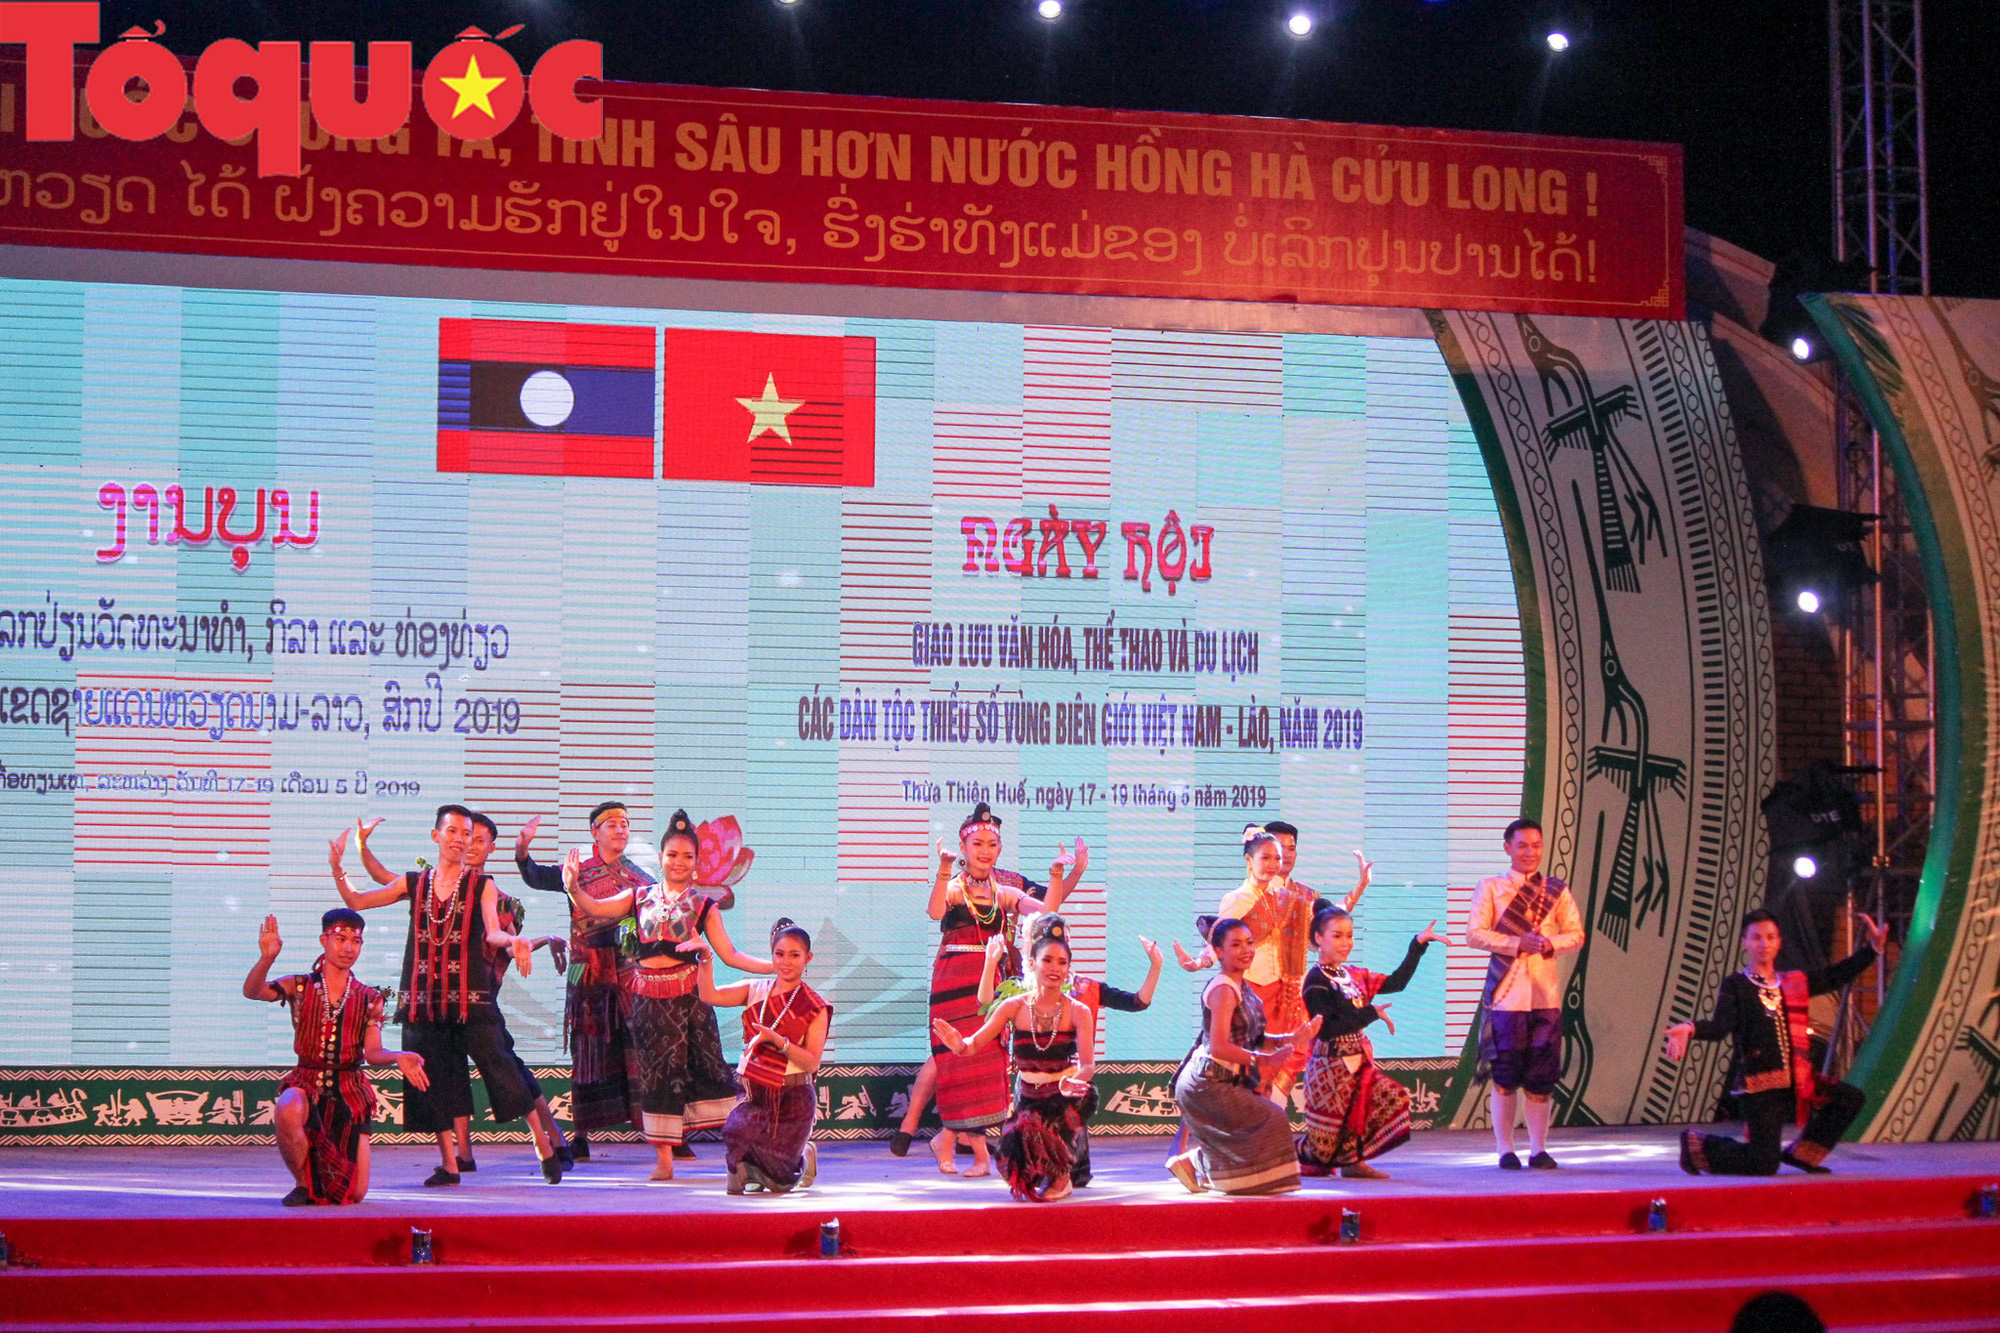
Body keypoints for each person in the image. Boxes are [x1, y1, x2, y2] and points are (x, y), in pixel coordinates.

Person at [329, 804, 543, 1187]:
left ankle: (544, 1143)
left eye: (466, 833)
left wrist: (518, 941)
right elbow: (359, 901)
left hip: (467, 1000)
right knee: (432, 1080)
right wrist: (338, 867)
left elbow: (494, 933)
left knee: (497, 1064)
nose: (460, 840)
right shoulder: (416, 883)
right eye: (452, 831)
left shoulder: (482, 884)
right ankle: (449, 1164)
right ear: (436, 836)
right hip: (422, 1000)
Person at [564, 808, 771, 1180]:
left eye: (687, 856)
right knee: (655, 1078)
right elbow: (595, 908)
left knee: (708, 1074)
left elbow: (731, 955)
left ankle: (744, 1152)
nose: (679, 861)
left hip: (689, 1003)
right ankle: (664, 1161)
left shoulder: (704, 905)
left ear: (696, 863)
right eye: (672, 854)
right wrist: (573, 888)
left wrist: (776, 967)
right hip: (647, 1003)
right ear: (660, 858)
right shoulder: (639, 896)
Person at [911, 802, 1087, 1176]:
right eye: (977, 844)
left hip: (989, 981)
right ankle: (951, 1144)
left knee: (986, 1061)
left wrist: (1057, 874)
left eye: (992, 844)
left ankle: (963, 1147)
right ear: (964, 847)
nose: (985, 851)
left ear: (1000, 848)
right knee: (953, 1059)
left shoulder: (1003, 891)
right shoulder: (955, 887)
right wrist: (942, 870)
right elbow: (935, 912)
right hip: (953, 980)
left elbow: (1045, 914)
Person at [1663, 909, 1883, 1176]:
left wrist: (1873, 949)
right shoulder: (1736, 985)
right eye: (1756, 937)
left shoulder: (1792, 983)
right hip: (1759, 1087)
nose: (1763, 944)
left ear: (1779, 942)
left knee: (1851, 1098)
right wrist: (1690, 1028)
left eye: (1770, 937)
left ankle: (1803, 1155)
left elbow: (1834, 976)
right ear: (1744, 942)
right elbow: (1720, 1028)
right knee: (1764, 1164)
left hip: (1798, 1081)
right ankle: (1697, 1146)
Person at [242, 907, 426, 1206]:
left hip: (349, 1092)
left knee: (355, 1194)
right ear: (324, 940)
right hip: (306, 1082)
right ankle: (303, 1185)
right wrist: (267, 958)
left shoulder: (370, 997)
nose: (348, 948)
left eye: (356, 941)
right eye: (341, 939)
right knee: (288, 1106)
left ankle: (322, 1177)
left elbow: (373, 1052)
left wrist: (398, 1055)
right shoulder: (299, 985)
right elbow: (253, 992)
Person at [976, 916, 1162, 1187]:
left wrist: (1156, 965)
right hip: (1029, 1088)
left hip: (1068, 1085)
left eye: (1064, 941)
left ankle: (1066, 1175)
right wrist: (990, 963)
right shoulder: (1019, 991)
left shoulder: (1086, 989)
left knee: (1071, 1170)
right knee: (1030, 1170)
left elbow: (1137, 1002)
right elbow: (985, 1002)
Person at [513, 800, 650, 1164]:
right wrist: (522, 850)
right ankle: (580, 1136)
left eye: (624, 824)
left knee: (639, 1050)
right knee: (586, 1051)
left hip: (627, 973)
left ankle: (661, 1134)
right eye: (612, 824)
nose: (620, 830)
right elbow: (534, 876)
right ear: (594, 832)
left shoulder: (640, 878)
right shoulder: (578, 870)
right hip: (588, 970)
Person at [934, 916, 1096, 1201]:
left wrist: (1072, 1083)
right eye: (1047, 960)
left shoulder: (1078, 1011)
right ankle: (1048, 1170)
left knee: (1042, 1124)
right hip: (1029, 1097)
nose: (1055, 968)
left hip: (1065, 1097)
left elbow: (1088, 1066)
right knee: (1015, 1158)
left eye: (1062, 962)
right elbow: (974, 1043)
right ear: (1032, 963)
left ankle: (1062, 1178)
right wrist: (960, 1045)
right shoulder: (1014, 1006)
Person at [1167, 917, 1320, 1195]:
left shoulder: (1242, 985)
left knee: (1260, 1132)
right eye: (1236, 945)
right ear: (1219, 952)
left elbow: (1256, 1036)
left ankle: (1195, 1161)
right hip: (1206, 1085)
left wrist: (1293, 1038)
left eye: (1249, 943)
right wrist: (1263, 1061)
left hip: (1222, 1081)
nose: (1246, 950)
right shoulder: (1223, 989)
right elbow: (1219, 1047)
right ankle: (1199, 1163)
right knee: (1272, 1119)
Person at [1466, 817, 1583, 1170]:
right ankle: (1505, 1150)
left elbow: (1576, 935)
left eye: (1536, 846)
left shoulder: (1556, 890)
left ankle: (1538, 1149)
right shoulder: (1491, 887)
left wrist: (1549, 943)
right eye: (1522, 846)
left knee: (1541, 1078)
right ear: (1507, 848)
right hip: (1507, 997)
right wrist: (1517, 943)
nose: (1530, 852)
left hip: (1545, 997)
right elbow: (1474, 934)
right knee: (1505, 1075)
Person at [1297, 906, 1447, 1179]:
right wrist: (1370, 1013)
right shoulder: (1315, 980)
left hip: (1358, 1063)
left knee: (1389, 1100)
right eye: (1337, 936)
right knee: (1322, 1150)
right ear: (1319, 938)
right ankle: (1285, 1154)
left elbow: (1396, 983)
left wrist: (1417, 945)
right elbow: (1327, 1029)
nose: (1346, 942)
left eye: (1349, 935)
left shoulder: (1353, 975)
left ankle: (1353, 1162)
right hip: (1329, 1070)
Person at [701, 918, 833, 1194]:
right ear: (772, 955)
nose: (786, 962)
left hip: (793, 1099)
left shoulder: (815, 1006)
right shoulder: (754, 989)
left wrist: (779, 1042)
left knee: (780, 1183)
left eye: (794, 955)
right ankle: (747, 1171)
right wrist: (705, 958)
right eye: (779, 954)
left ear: (808, 958)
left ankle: (803, 1155)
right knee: (737, 1132)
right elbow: (709, 995)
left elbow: (812, 1062)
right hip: (755, 1093)